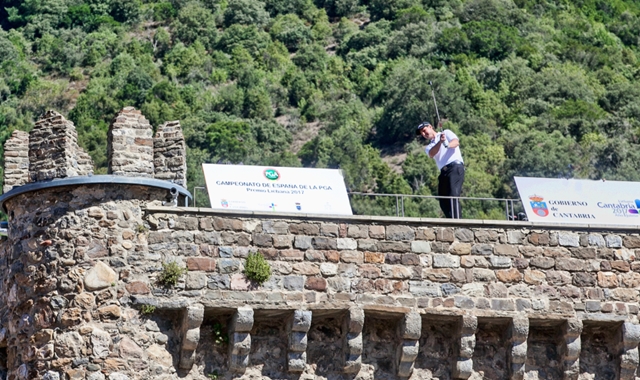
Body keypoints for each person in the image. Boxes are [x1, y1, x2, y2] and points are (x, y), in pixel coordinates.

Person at [416, 121, 465, 218]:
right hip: (443, 172)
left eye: (424, 130)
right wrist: (440, 142)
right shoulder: (430, 146)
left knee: (453, 195)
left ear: (430, 127)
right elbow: (431, 153)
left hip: (455, 167)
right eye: (421, 133)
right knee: (443, 200)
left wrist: (447, 144)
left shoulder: (446, 133)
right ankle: (451, 221)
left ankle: (458, 222)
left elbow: (456, 142)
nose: (423, 134)